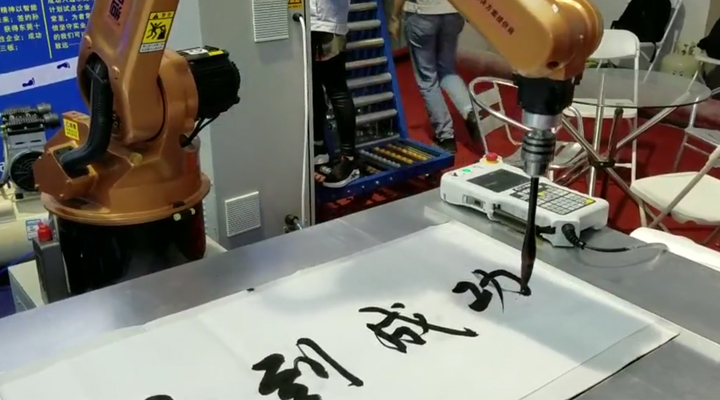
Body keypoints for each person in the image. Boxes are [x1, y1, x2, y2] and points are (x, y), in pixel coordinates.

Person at [388, 0, 480, 154]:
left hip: (422, 13)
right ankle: (469, 111)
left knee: (427, 78)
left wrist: (394, 17)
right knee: (447, 70)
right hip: (452, 12)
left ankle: (446, 137)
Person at [310, 0, 361, 188]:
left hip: (328, 23)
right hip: (303, 22)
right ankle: (318, 147)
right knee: (312, 87)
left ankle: (349, 158)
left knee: (337, 90)